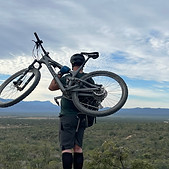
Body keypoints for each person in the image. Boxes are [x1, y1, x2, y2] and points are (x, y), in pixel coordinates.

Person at [48, 54, 87, 169]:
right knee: (78, 147)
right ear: (83, 64)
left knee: (66, 148)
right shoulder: (88, 78)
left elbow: (52, 87)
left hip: (68, 116)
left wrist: (60, 73)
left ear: (72, 63)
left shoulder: (68, 78)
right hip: (83, 116)